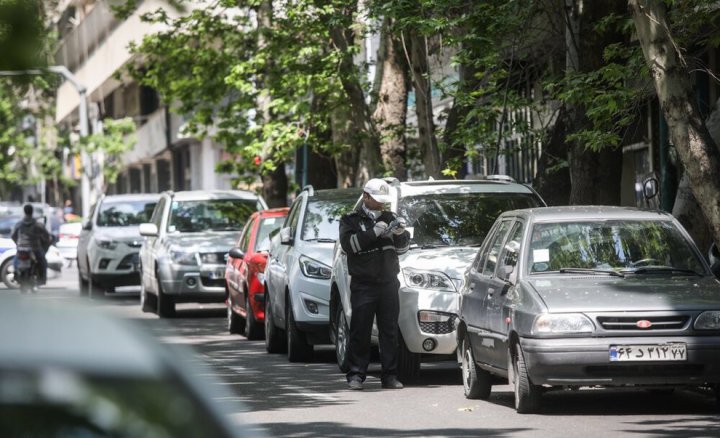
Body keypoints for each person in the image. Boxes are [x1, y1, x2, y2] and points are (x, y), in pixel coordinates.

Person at [339, 178, 410, 390]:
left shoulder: (390, 217)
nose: (381, 205)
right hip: (364, 284)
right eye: (377, 200)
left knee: (389, 331)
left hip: (388, 282)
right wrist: (373, 232)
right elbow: (349, 245)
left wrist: (400, 235)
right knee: (360, 330)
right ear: (366, 197)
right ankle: (356, 375)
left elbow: (402, 251)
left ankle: (389, 375)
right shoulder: (350, 220)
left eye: (383, 201)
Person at [11, 204, 51, 286]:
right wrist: (48, 239)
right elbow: (47, 236)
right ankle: (41, 279)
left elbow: (13, 235)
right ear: (32, 212)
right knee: (43, 262)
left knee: (15, 262)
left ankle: (15, 275)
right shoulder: (38, 224)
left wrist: (18, 243)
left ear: (24, 212)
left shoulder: (19, 224)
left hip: (21, 248)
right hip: (35, 249)